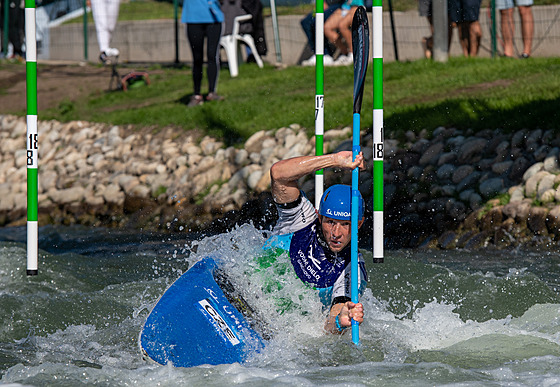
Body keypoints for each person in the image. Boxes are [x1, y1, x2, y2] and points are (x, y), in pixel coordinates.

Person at [267, 151, 367, 334]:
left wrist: (339, 321)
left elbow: (330, 323)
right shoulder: (301, 219)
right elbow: (278, 174)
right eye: (330, 222)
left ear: (359, 224)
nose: (336, 233)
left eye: (346, 224)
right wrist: (334, 160)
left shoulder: (352, 270)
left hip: (275, 326)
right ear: (319, 216)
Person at [182, 0, 224, 107]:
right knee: (197, 59)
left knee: (212, 56)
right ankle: (197, 95)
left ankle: (212, 92)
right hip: (192, 18)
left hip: (214, 19)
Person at [300, 0, 345, 67]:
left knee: (317, 22)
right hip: (324, 4)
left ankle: (325, 54)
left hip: (340, 5)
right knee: (305, 22)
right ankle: (317, 53)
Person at [324, 0, 365, 66]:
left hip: (356, 5)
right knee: (327, 28)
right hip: (345, 6)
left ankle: (352, 54)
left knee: (342, 26)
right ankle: (345, 53)